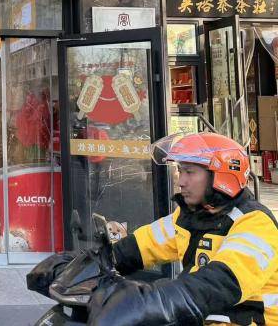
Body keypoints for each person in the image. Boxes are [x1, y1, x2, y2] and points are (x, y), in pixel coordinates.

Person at [88, 132, 278, 326]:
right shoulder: (192, 215)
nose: (181, 181)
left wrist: (153, 302)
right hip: (208, 317)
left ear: (220, 176)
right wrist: (93, 262)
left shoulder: (255, 223)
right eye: (180, 171)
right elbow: (144, 244)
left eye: (189, 172)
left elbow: (222, 281)